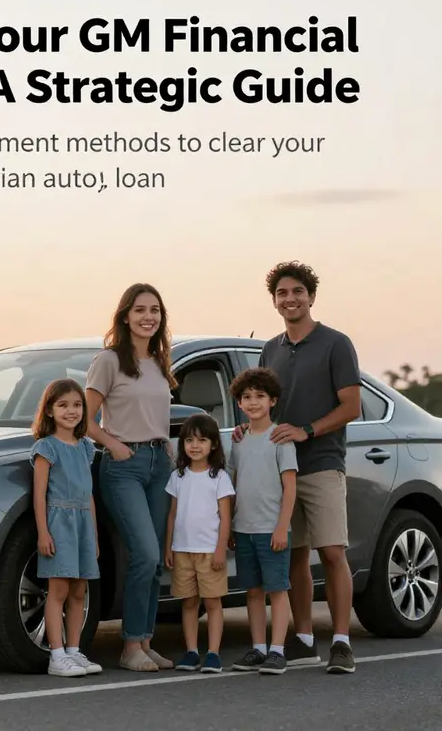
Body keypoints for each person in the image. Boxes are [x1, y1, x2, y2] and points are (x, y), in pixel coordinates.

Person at [233, 261, 361, 674]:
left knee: (332, 552)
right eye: (282, 294)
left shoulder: (336, 344)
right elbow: (265, 404)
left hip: (322, 463)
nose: (290, 299)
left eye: (297, 292)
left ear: (310, 296)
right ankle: (303, 639)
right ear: (274, 301)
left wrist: (308, 430)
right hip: (278, 469)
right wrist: (246, 428)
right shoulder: (271, 349)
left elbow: (351, 406)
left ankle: (341, 641)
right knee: (294, 556)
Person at [85, 283, 177, 673]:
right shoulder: (108, 361)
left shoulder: (159, 363)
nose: (148, 317)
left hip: (160, 464)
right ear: (125, 315)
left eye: (155, 310)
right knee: (146, 554)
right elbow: (84, 421)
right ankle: (128, 647)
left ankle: (145, 641)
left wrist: (168, 449)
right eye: (140, 310)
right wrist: (114, 444)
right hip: (123, 466)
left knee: (155, 563)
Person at [227, 367, 297, 676]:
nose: (253, 402)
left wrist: (282, 526)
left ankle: (278, 651)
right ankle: (258, 648)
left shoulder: (281, 438)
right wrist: (229, 525)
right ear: (239, 404)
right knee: (253, 591)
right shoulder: (238, 440)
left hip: (272, 529)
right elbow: (233, 483)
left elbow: (290, 486)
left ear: (273, 401)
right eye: (246, 397)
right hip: (244, 529)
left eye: (260, 396)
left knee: (277, 590)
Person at [31, 377, 103, 678]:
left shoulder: (86, 447)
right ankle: (56, 655)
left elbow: (88, 494)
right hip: (59, 522)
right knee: (58, 590)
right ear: (49, 410)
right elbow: (39, 494)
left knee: (79, 589)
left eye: (76, 405)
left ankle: (74, 651)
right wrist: (44, 532)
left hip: (84, 522)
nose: (71, 411)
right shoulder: (46, 448)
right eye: (63, 405)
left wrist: (95, 535)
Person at [164, 413, 234, 674]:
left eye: (202, 440)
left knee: (213, 602)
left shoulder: (219, 478)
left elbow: (225, 517)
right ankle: (192, 651)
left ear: (213, 445)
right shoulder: (178, 476)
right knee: (189, 602)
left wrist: (220, 549)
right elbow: (172, 514)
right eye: (189, 440)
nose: (195, 445)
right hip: (183, 551)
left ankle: (213, 653)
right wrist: (168, 547)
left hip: (209, 552)